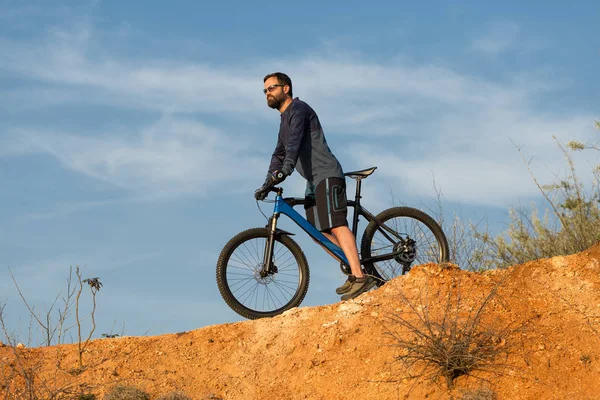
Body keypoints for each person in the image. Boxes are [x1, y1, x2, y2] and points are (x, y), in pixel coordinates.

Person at [254, 72, 376, 301]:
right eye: (265, 91)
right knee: (317, 232)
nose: (267, 93)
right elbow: (279, 153)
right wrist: (268, 181)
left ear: (286, 88)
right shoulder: (284, 120)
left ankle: (360, 276)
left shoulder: (298, 110)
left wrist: (286, 169)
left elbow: (293, 145)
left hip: (327, 175)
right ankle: (353, 269)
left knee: (336, 224)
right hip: (313, 181)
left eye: (271, 88)